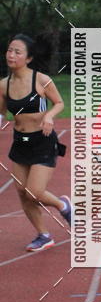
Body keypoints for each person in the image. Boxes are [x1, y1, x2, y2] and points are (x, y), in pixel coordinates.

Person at [0, 34, 71, 251]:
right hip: (20, 143)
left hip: (43, 141)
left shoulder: (41, 80)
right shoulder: (3, 85)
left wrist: (49, 116)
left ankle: (64, 205)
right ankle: (44, 235)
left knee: (34, 191)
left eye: (17, 52)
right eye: (10, 50)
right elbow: (1, 114)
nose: (11, 55)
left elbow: (59, 103)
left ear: (28, 58)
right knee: (22, 192)